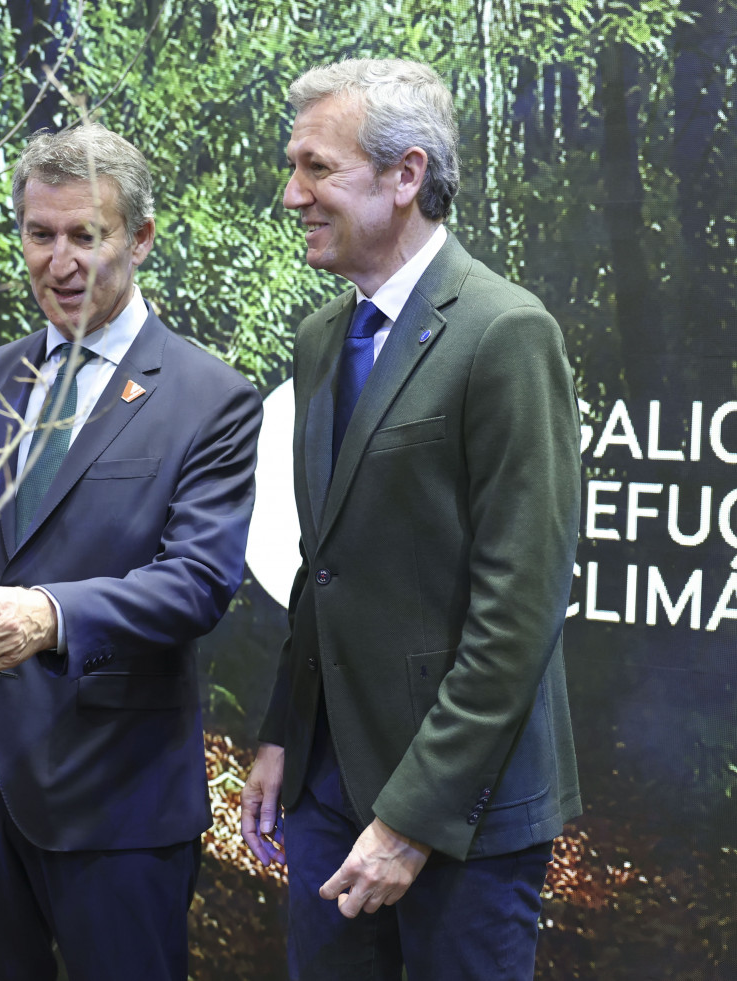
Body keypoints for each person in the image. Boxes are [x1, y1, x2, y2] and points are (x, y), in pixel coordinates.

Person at [240, 58, 582, 980]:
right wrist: (282, 730)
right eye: (292, 165)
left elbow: (518, 616)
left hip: (459, 817)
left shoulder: (505, 333)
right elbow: (326, 563)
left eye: (316, 168)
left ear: (405, 176)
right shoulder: (322, 337)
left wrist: (410, 821)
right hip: (326, 794)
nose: (291, 193)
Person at [0, 122, 262, 981]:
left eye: (84, 236)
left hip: (119, 807)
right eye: (39, 233)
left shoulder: (211, 398)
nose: (58, 261)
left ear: (138, 238)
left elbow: (197, 582)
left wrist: (48, 615)